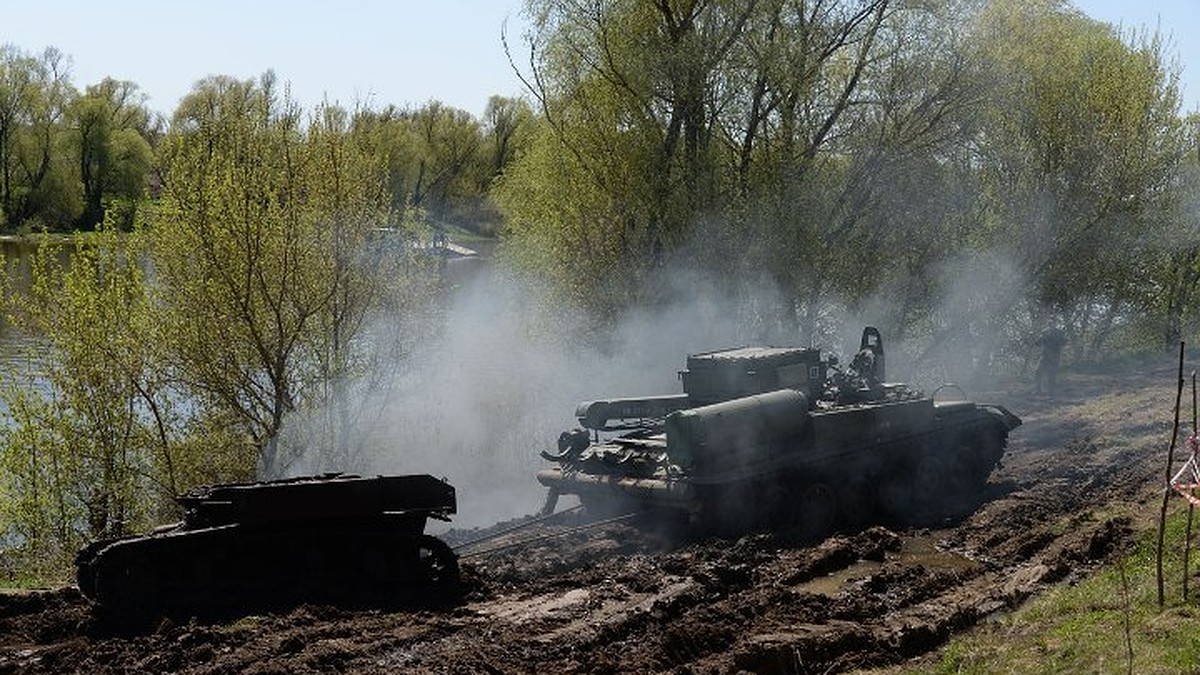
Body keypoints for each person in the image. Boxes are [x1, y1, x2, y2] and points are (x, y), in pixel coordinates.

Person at [1034, 326, 1067, 397]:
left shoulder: (1059, 332)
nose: (1051, 321)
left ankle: (1051, 393)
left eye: (1053, 318)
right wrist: (1041, 339)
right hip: (1045, 356)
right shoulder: (1045, 332)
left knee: (1051, 375)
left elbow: (1064, 342)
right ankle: (1038, 390)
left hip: (1054, 357)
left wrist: (1059, 339)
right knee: (1038, 372)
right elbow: (1038, 343)